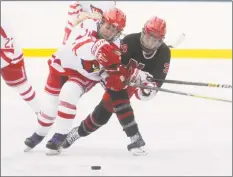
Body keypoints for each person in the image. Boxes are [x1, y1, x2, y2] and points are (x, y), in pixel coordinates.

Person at [24, 7, 127, 155]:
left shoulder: (116, 46)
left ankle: (60, 135)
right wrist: (96, 47)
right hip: (63, 64)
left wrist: (116, 78)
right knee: (50, 107)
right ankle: (39, 133)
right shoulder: (87, 24)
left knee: (68, 93)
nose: (109, 32)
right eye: (108, 26)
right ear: (102, 21)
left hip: (84, 75)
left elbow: (108, 72)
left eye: (114, 30)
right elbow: (77, 47)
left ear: (119, 33)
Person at [63, 16, 171, 156]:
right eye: (148, 37)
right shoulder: (128, 41)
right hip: (116, 78)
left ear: (161, 41)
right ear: (143, 32)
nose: (150, 42)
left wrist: (147, 88)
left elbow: (156, 82)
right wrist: (132, 73)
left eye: (155, 39)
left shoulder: (164, 53)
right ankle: (133, 136)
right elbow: (114, 66)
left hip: (135, 84)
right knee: (110, 105)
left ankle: (80, 132)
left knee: (108, 110)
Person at [1, 16, 40, 115]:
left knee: (21, 86)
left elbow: (8, 52)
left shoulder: (3, 24)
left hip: (11, 59)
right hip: (7, 55)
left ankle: (40, 112)